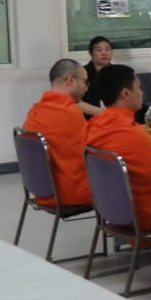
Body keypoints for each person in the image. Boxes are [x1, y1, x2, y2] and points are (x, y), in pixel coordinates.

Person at [82, 64, 151, 232]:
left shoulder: (92, 126)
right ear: (126, 94)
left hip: (113, 212)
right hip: (149, 216)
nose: (142, 93)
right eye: (139, 87)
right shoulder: (130, 133)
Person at [22, 59, 93, 209]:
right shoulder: (70, 113)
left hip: (43, 193)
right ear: (70, 80)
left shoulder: (35, 111)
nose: (86, 88)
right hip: (70, 194)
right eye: (84, 81)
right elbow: (94, 154)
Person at [80, 36, 114, 116]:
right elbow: (76, 101)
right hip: (89, 117)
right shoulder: (81, 73)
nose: (104, 53)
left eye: (107, 49)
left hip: (114, 117)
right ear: (90, 53)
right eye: (99, 50)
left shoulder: (118, 73)